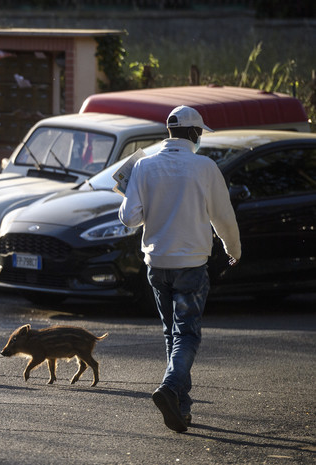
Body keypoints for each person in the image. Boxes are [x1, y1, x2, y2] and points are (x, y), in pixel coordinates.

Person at [118, 105, 241, 433]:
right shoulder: (204, 167)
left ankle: (181, 408)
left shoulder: (144, 166)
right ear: (193, 134)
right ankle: (171, 388)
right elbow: (223, 217)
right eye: (199, 133)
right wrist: (233, 250)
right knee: (187, 334)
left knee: (173, 335)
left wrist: (131, 191)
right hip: (191, 265)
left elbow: (130, 218)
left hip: (157, 265)